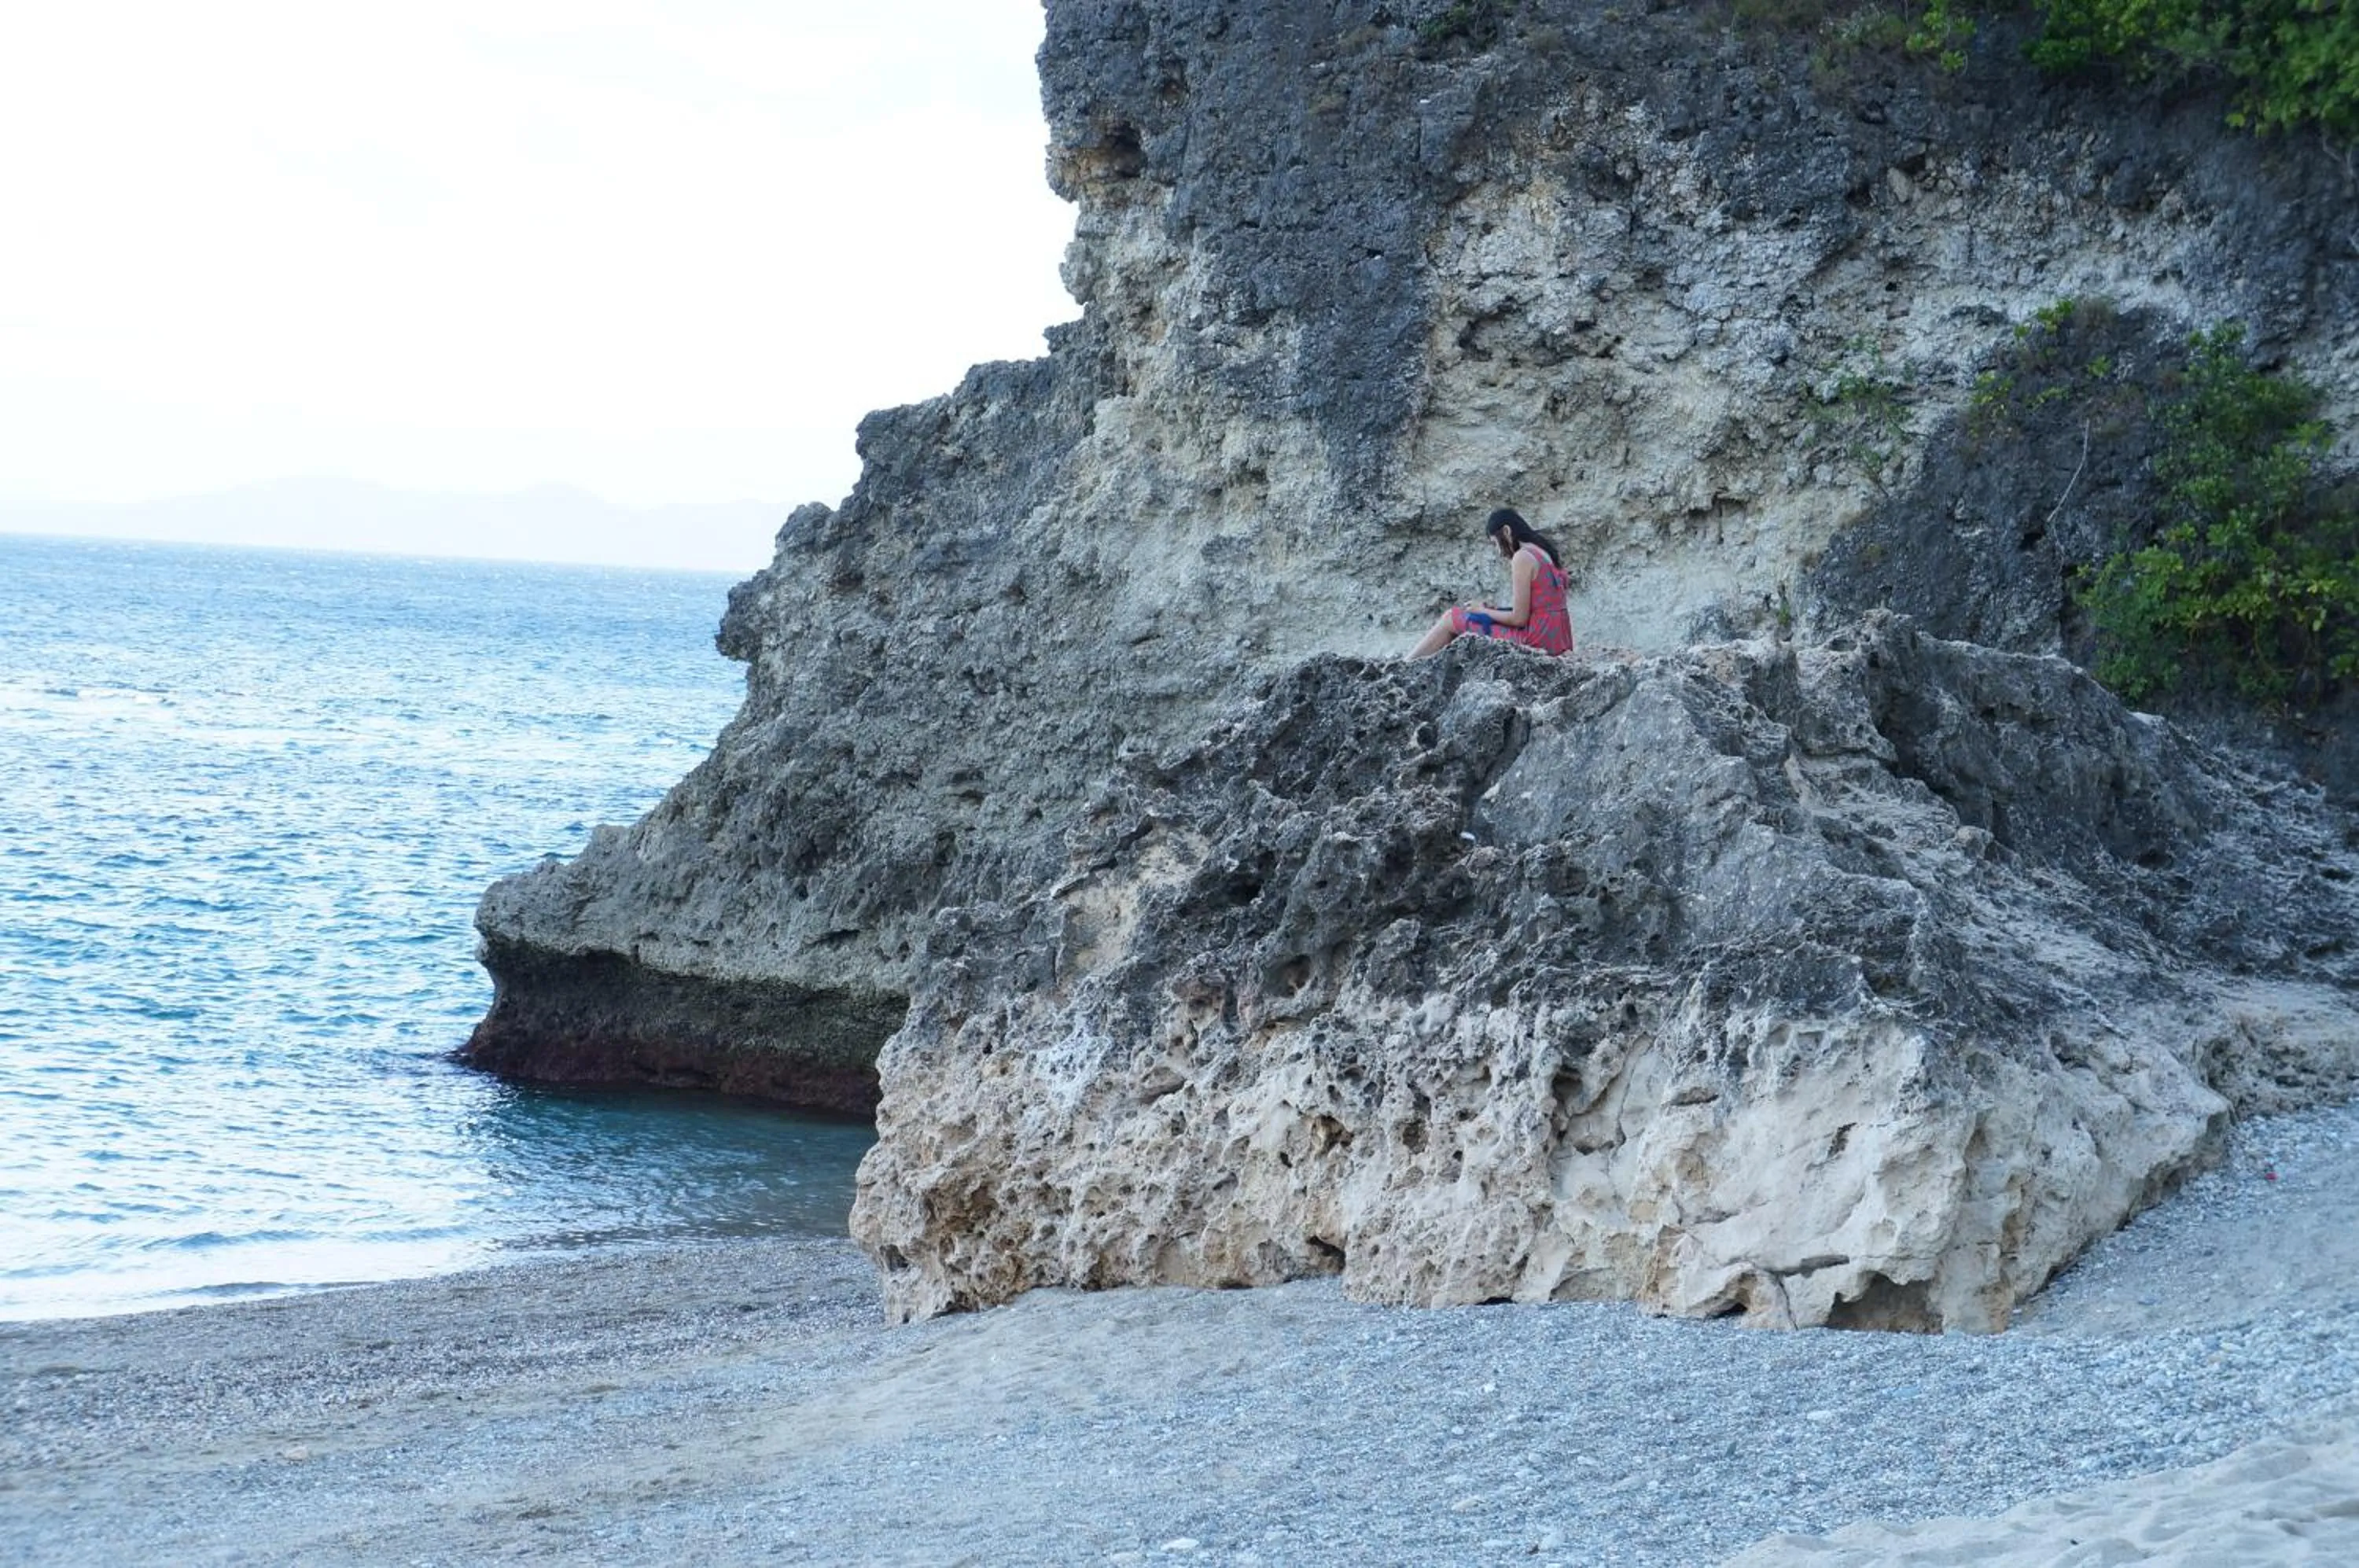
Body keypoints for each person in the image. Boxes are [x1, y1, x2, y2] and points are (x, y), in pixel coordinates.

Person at [1408, 507, 1575, 658]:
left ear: (1507, 531)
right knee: (1468, 618)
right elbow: (1541, 607)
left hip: (1536, 640)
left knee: (1451, 618)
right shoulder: (1544, 551)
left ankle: (1405, 666)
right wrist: (1494, 611)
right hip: (1558, 639)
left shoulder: (1523, 557)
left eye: (1496, 543)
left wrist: (1483, 611)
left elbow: (1519, 619)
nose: (1499, 552)